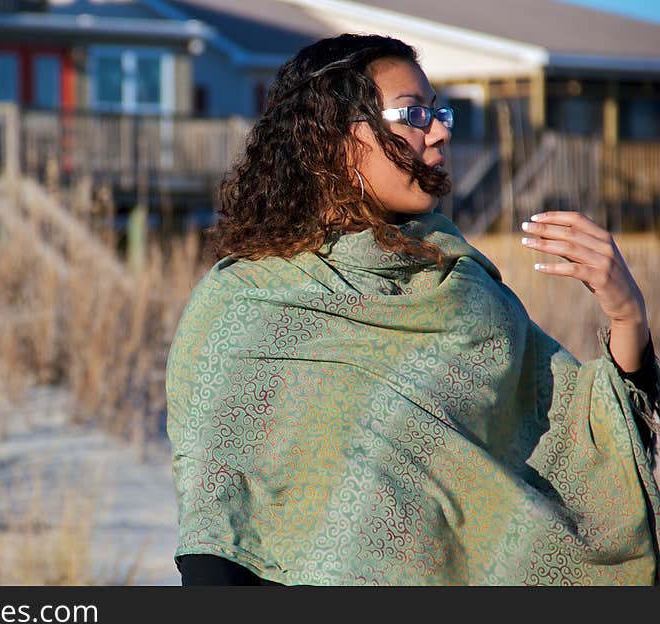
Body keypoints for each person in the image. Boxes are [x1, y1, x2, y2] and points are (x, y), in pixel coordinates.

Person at [166, 33, 660, 586]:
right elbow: (219, 524)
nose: (441, 130)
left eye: (438, 111)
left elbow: (574, 434)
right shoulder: (244, 302)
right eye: (414, 114)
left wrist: (628, 319)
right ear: (334, 136)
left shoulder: (463, 288)